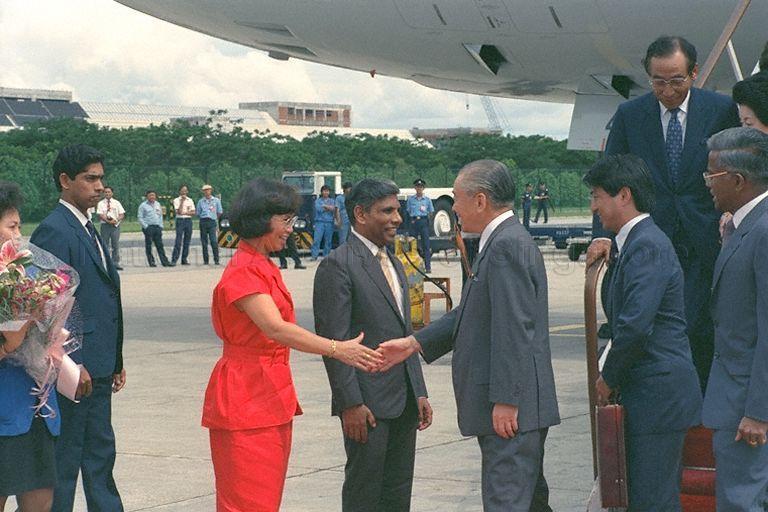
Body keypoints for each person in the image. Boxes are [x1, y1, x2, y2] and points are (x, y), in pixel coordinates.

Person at [377, 160, 560, 511]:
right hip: (517, 407)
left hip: (511, 411)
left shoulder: (506, 246)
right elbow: (474, 311)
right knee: (530, 501)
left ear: (480, 201)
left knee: (506, 502)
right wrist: (416, 343)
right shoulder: (501, 242)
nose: (453, 208)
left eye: (457, 199)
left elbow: (513, 328)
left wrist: (507, 400)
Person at [201, 178, 382, 512]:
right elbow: (276, 328)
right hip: (247, 397)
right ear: (260, 220)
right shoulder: (244, 271)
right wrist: (336, 348)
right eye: (284, 221)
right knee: (247, 502)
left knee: (265, 498)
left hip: (269, 393)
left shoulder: (262, 265)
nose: (290, 228)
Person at [588, 35, 740, 388]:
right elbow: (607, 176)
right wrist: (601, 235)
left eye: (676, 80)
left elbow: (734, 169)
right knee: (652, 330)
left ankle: (700, 421)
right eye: (658, 81)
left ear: (694, 73)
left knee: (702, 333)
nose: (667, 90)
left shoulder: (719, 110)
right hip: (651, 245)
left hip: (705, 243)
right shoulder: (630, 115)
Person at [585, 154, 702, 511]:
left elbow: (635, 326)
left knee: (653, 502)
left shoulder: (646, 245)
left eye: (596, 197)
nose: (593, 207)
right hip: (651, 397)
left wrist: (608, 376)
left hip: (658, 398)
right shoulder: (632, 242)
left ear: (624, 195)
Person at [314, 178, 432, 512]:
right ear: (361, 214)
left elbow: (403, 331)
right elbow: (334, 343)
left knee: (397, 492)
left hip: (404, 400)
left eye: (398, 210)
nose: (397, 218)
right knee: (365, 491)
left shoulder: (394, 262)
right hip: (366, 405)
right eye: (387, 211)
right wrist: (350, 402)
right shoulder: (338, 265)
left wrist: (418, 390)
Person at [31, 144, 125, 512]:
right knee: (66, 461)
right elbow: (50, 308)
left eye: (101, 177)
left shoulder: (88, 227)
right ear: (65, 180)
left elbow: (103, 298)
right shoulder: (53, 230)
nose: (100, 186)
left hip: (99, 366)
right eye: (90, 178)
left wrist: (115, 359)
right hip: (74, 371)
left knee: (101, 456)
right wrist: (72, 364)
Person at [701, 127, 768, 511]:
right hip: (738, 398)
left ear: (739, 181)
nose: (707, 184)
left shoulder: (761, 230)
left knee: (741, 502)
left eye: (712, 175)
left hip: (748, 404)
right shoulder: (743, 226)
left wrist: (758, 412)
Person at [0, 182, 60, 512]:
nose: (19, 235)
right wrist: (13, 337)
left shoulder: (27, 276)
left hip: (35, 408)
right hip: (3, 416)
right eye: (12, 227)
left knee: (41, 500)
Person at [138, 190, 173, 268]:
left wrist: (161, 226)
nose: (152, 197)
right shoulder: (143, 205)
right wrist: (146, 227)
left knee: (160, 245)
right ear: (147, 196)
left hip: (157, 227)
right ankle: (151, 262)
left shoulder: (158, 204)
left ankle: (165, 261)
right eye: (150, 195)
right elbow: (140, 217)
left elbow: (160, 216)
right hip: (148, 227)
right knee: (149, 245)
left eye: (153, 195)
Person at [405, 178, 434, 273]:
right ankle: (412, 266)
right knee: (412, 244)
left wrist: (426, 221)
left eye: (421, 187)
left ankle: (428, 267)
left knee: (426, 245)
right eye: (417, 187)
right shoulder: (410, 200)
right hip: (414, 222)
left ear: (423, 188)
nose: (419, 189)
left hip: (423, 222)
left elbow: (431, 212)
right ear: (415, 188)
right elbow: (408, 211)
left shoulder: (427, 200)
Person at [96, 186, 125, 271]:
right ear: (103, 193)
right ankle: (106, 263)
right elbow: (100, 214)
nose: (107, 194)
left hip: (115, 226)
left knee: (115, 245)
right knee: (105, 244)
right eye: (106, 192)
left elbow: (122, 214)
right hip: (105, 226)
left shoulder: (116, 203)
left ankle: (115, 263)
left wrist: (116, 220)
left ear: (112, 193)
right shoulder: (101, 203)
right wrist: (108, 221)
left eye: (109, 192)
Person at [197, 184, 223, 265]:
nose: (207, 192)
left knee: (213, 241)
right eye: (205, 190)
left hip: (212, 221)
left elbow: (219, 212)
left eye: (208, 190)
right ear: (203, 192)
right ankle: (206, 260)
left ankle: (216, 259)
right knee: (204, 242)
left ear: (211, 190)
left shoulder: (216, 201)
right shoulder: (201, 201)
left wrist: (214, 217)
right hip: (203, 221)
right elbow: (198, 213)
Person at [171, 184, 195, 266]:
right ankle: (174, 259)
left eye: (186, 190)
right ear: (180, 191)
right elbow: (178, 212)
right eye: (183, 190)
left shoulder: (190, 200)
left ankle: (184, 259)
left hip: (188, 220)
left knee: (187, 240)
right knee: (178, 240)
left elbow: (193, 212)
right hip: (180, 220)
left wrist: (186, 213)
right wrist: (182, 202)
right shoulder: (176, 200)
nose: (184, 192)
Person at [310, 185, 335, 261]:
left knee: (328, 240)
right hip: (319, 223)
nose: (326, 192)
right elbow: (319, 209)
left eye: (327, 191)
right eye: (324, 191)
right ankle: (314, 256)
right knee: (317, 239)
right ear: (321, 192)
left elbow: (334, 209)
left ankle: (326, 256)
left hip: (329, 222)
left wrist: (325, 206)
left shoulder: (332, 201)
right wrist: (328, 208)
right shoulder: (318, 201)